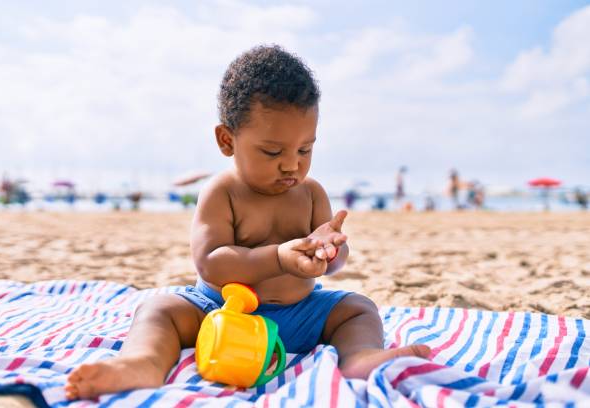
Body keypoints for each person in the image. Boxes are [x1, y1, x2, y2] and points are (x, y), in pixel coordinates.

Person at [65, 45, 430, 400]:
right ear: (227, 140)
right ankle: (142, 363)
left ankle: (360, 358)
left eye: (305, 149)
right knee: (159, 309)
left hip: (300, 317)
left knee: (357, 308)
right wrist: (279, 258)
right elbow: (211, 262)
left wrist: (332, 250)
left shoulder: (311, 193)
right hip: (220, 313)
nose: (292, 164)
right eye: (273, 151)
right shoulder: (223, 191)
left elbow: (332, 266)